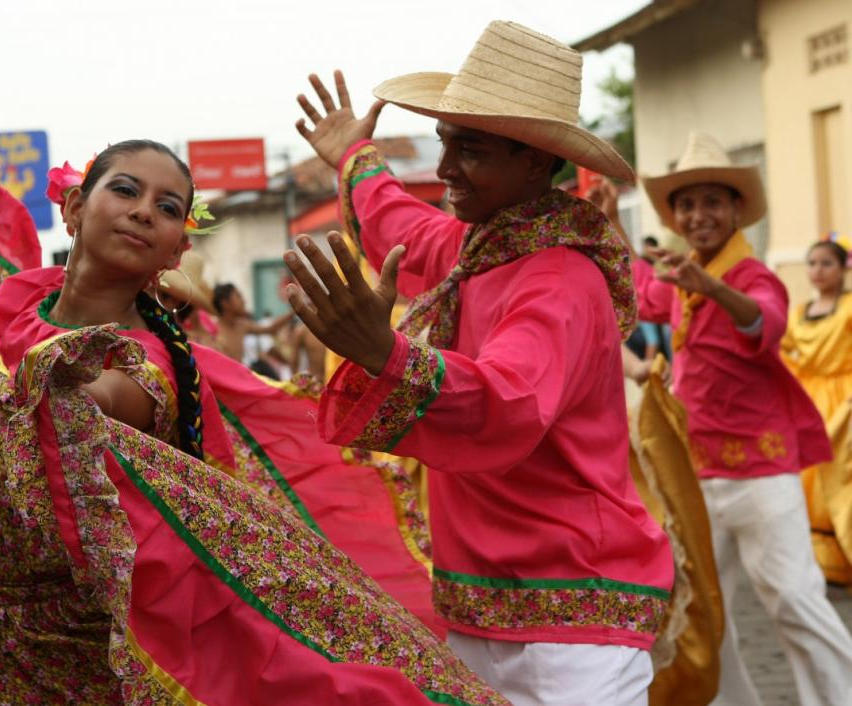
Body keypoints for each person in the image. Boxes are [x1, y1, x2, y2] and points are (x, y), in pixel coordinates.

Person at [0, 138, 506, 705]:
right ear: (74, 207)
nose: (143, 212)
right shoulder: (21, 299)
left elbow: (89, 405)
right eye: (125, 191)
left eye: (166, 208)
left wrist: (66, 384)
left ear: (176, 249)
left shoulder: (151, 361)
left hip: (84, 655)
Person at [287, 20, 674, 705]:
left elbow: (508, 403)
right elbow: (399, 227)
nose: (443, 170)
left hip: (574, 618)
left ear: (534, 163)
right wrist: (354, 157)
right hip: (486, 607)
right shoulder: (484, 246)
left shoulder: (559, 278)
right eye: (445, 143)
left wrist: (386, 354)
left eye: (470, 149)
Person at [591, 131, 852, 706]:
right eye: (686, 204)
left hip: (762, 472)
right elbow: (634, 292)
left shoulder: (752, 276)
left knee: (795, 600)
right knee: (705, 613)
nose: (698, 214)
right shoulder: (683, 274)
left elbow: (766, 324)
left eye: (712, 202)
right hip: (700, 475)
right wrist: (612, 225)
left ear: (737, 210)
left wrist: (708, 285)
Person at [782, 239, 852, 586]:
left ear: (843, 269)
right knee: (809, 479)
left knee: (841, 477)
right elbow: (783, 353)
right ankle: (822, 561)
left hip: (845, 401)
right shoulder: (799, 313)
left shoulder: (849, 308)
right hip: (809, 402)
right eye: (812, 263)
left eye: (826, 263)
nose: (818, 271)